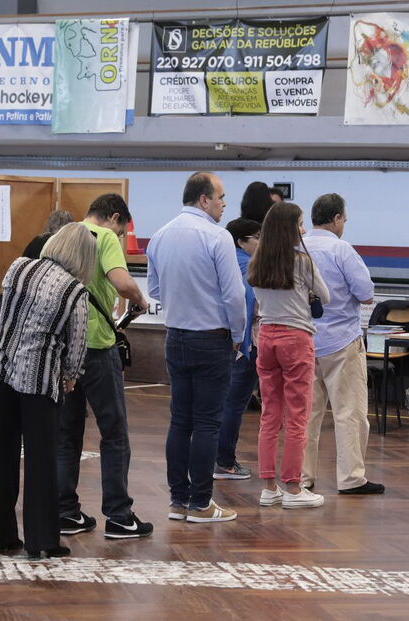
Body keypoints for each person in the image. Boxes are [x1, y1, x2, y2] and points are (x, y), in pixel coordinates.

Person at [0, 223, 95, 560]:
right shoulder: (75, 291)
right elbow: (77, 342)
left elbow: (5, 314)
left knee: (0, 456)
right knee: (41, 461)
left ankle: (0, 533)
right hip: (39, 379)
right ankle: (41, 540)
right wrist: (71, 376)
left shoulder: (19, 266)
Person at [148, 171, 246, 523]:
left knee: (180, 421)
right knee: (207, 423)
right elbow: (234, 295)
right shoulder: (217, 237)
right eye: (220, 197)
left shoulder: (159, 236)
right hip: (212, 337)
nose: (223, 204)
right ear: (204, 199)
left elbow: (155, 291)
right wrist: (238, 334)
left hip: (175, 336)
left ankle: (178, 501)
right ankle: (202, 503)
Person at [57, 193, 152, 540]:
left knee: (67, 435)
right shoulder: (105, 237)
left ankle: (64, 511)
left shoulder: (64, 235)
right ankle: (119, 515)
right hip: (96, 345)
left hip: (64, 347)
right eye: (123, 230)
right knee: (114, 433)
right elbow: (121, 281)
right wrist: (139, 299)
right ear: (114, 218)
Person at [301, 193, 384, 495]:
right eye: (344, 220)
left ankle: (301, 477)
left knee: (305, 414)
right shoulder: (342, 249)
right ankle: (350, 478)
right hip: (340, 341)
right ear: (336, 219)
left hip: (303, 339)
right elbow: (365, 293)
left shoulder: (297, 247)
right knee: (348, 412)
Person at [249, 201, 330, 509]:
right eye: (299, 224)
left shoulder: (256, 262)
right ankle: (294, 488)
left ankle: (269, 487)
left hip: (266, 337)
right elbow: (326, 295)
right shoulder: (302, 262)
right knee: (298, 415)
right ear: (289, 229)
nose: (304, 229)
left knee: (270, 414)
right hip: (296, 338)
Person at [213, 217, 261, 481]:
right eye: (257, 238)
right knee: (234, 404)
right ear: (241, 242)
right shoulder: (246, 267)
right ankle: (224, 461)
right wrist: (241, 340)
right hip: (241, 345)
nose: (261, 243)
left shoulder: (222, 261)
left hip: (219, 341)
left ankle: (215, 459)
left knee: (219, 403)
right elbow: (246, 303)